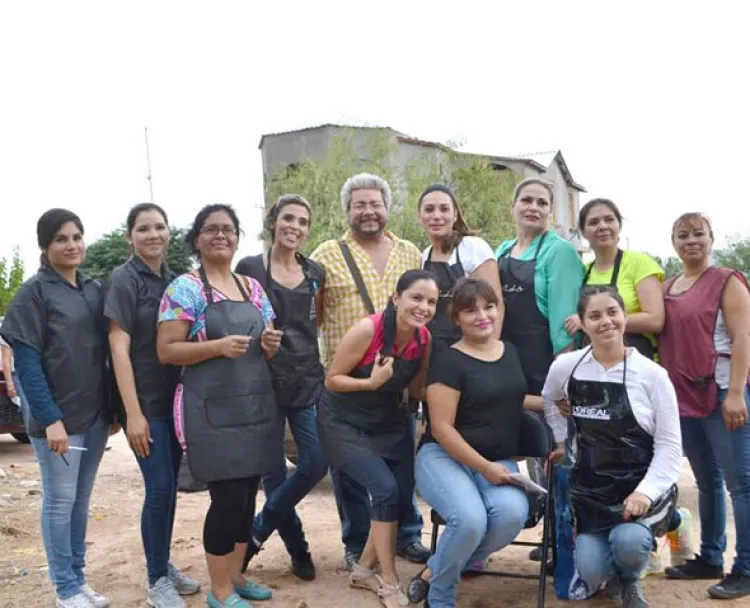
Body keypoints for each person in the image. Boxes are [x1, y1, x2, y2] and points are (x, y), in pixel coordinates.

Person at [157, 204, 283, 608]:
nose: (220, 236)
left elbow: (266, 347)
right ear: (197, 238)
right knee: (227, 499)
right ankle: (220, 590)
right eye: (211, 229)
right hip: (209, 411)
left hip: (254, 408)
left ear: (237, 237)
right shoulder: (185, 289)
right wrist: (216, 347)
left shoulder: (253, 289)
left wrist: (271, 345)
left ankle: (237, 574)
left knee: (248, 497)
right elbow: (166, 350)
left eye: (228, 229)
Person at [566, 198, 694, 575]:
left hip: (633, 371)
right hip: (595, 375)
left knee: (643, 452)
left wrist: (602, 322)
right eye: (593, 221)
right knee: (607, 461)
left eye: (609, 219)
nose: (602, 226)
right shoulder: (585, 270)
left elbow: (655, 318)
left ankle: (670, 519)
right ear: (584, 230)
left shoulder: (640, 263)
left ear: (620, 224)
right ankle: (641, 538)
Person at [311, 173, 431, 568]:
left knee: (401, 462)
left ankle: (407, 536)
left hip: (397, 381)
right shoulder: (326, 254)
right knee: (350, 473)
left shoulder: (411, 252)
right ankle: (356, 542)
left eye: (375, 203)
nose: (368, 211)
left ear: (386, 208)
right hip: (348, 376)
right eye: (359, 204)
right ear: (347, 210)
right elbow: (316, 310)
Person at [0, 209, 117, 608]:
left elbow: (106, 353)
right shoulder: (34, 293)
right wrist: (50, 419)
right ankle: (64, 587)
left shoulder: (92, 288)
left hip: (95, 414)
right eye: (61, 239)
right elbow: (27, 363)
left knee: (81, 501)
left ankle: (79, 579)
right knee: (59, 500)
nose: (71, 245)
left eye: (76, 237)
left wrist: (113, 410)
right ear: (45, 246)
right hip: (58, 419)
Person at [543, 285, 682, 608]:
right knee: (590, 571)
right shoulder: (567, 367)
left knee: (629, 542)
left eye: (612, 312)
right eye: (594, 315)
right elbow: (550, 400)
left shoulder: (652, 376)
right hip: (591, 490)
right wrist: (561, 439)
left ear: (623, 316)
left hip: (640, 487)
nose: (605, 322)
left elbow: (670, 445)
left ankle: (631, 576)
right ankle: (613, 569)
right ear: (582, 322)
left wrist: (645, 493)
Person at [316, 269, 438, 608]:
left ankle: (364, 569)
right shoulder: (368, 329)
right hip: (342, 420)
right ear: (396, 298)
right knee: (383, 489)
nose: (423, 307)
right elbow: (332, 380)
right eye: (416, 297)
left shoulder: (423, 339)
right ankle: (389, 579)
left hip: (388, 420)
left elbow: (416, 389)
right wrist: (370, 383)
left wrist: (457, 397)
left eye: (431, 302)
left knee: (398, 493)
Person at [408, 277, 531, 608]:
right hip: (444, 457)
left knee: (511, 515)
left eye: (489, 307)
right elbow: (442, 428)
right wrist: (485, 467)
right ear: (456, 318)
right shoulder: (448, 361)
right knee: (470, 520)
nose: (482, 315)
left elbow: (511, 398)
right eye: (471, 310)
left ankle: (433, 571)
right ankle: (440, 596)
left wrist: (553, 403)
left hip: (496, 460)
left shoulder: (511, 352)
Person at [104, 203, 200, 607]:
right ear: (130, 236)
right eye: (143, 228)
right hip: (143, 403)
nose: (153, 235)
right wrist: (133, 414)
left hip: (173, 401)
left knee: (170, 489)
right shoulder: (123, 280)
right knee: (159, 487)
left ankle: (162, 562)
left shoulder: (176, 280)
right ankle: (155, 578)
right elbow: (118, 348)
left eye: (160, 227)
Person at [495, 177, 585, 589]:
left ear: (550, 211)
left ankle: (565, 548)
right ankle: (549, 537)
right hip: (507, 366)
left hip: (547, 368)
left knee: (559, 455)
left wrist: (560, 382)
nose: (533, 207)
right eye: (526, 200)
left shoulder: (560, 252)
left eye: (542, 202)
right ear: (512, 206)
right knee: (534, 457)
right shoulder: (500, 251)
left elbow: (565, 328)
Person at [235, 194, 328, 580]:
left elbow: (315, 319)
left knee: (316, 461)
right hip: (262, 378)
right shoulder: (250, 267)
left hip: (306, 376)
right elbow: (239, 316)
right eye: (288, 218)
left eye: (303, 221)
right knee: (272, 471)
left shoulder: (315, 271)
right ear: (274, 221)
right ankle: (298, 549)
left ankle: (257, 529)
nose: (295, 226)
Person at [659, 213, 750, 600]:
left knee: (741, 484)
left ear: (711, 239)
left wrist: (736, 393)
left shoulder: (727, 281)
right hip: (683, 398)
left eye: (698, 233)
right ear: (674, 242)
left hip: (722, 393)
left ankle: (745, 567)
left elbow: (743, 336)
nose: (691, 240)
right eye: (683, 235)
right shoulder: (667, 287)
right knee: (706, 480)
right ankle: (710, 556)